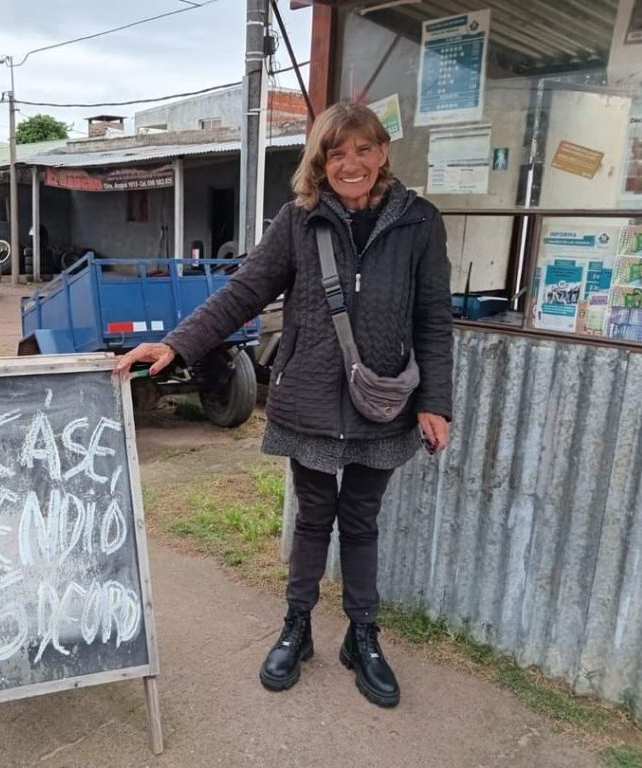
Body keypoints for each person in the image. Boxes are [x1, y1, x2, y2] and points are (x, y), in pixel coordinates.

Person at [114, 102, 453, 708]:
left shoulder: (419, 221)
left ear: (383, 153)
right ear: (319, 161)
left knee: (362, 521)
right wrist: (176, 342)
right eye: (336, 153)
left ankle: (363, 635)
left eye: (363, 150)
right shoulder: (298, 221)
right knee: (312, 518)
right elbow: (244, 292)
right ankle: (297, 628)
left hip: (385, 402)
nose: (351, 164)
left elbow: (432, 319)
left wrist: (437, 403)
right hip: (312, 400)